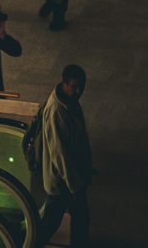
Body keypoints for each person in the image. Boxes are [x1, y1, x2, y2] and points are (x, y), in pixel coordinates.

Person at [29, 64, 94, 248]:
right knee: (50, 223)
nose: (79, 91)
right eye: (74, 86)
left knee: (78, 219)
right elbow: (59, 154)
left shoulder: (69, 101)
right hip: (63, 182)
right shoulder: (57, 111)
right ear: (63, 83)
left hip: (71, 179)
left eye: (81, 86)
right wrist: (75, 187)